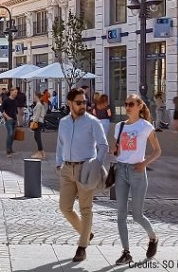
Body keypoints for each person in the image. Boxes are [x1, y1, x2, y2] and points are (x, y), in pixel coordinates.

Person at [55, 87, 108, 263]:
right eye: (79, 102)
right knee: (65, 207)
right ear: (70, 103)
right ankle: (87, 233)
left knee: (86, 209)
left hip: (86, 169)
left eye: (85, 102)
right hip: (66, 169)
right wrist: (58, 164)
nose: (83, 105)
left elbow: (103, 145)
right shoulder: (63, 122)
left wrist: (96, 165)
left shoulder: (93, 122)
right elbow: (60, 145)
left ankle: (82, 246)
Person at [110, 94, 161, 265]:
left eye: (131, 104)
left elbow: (157, 150)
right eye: (126, 104)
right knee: (121, 214)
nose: (128, 107)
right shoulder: (120, 126)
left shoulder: (145, 126)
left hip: (137, 171)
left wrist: (145, 163)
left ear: (139, 106)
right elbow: (117, 150)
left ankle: (153, 238)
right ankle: (126, 252)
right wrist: (115, 150)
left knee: (137, 215)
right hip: (121, 170)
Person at [1, 87, 20, 157]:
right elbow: (2, 110)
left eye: (16, 93)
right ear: (11, 92)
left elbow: (16, 111)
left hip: (14, 119)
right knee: (10, 134)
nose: (16, 94)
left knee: (13, 135)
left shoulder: (15, 101)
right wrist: (7, 117)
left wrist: (18, 121)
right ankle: (8, 151)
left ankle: (11, 149)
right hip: (8, 120)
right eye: (15, 92)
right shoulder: (6, 100)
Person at [30, 91, 49, 159]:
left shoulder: (38, 105)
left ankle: (39, 152)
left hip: (38, 122)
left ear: (36, 97)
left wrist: (34, 122)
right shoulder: (40, 104)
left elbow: (37, 115)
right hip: (40, 122)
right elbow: (43, 114)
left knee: (37, 137)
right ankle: (42, 152)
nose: (33, 97)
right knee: (37, 137)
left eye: (34, 96)